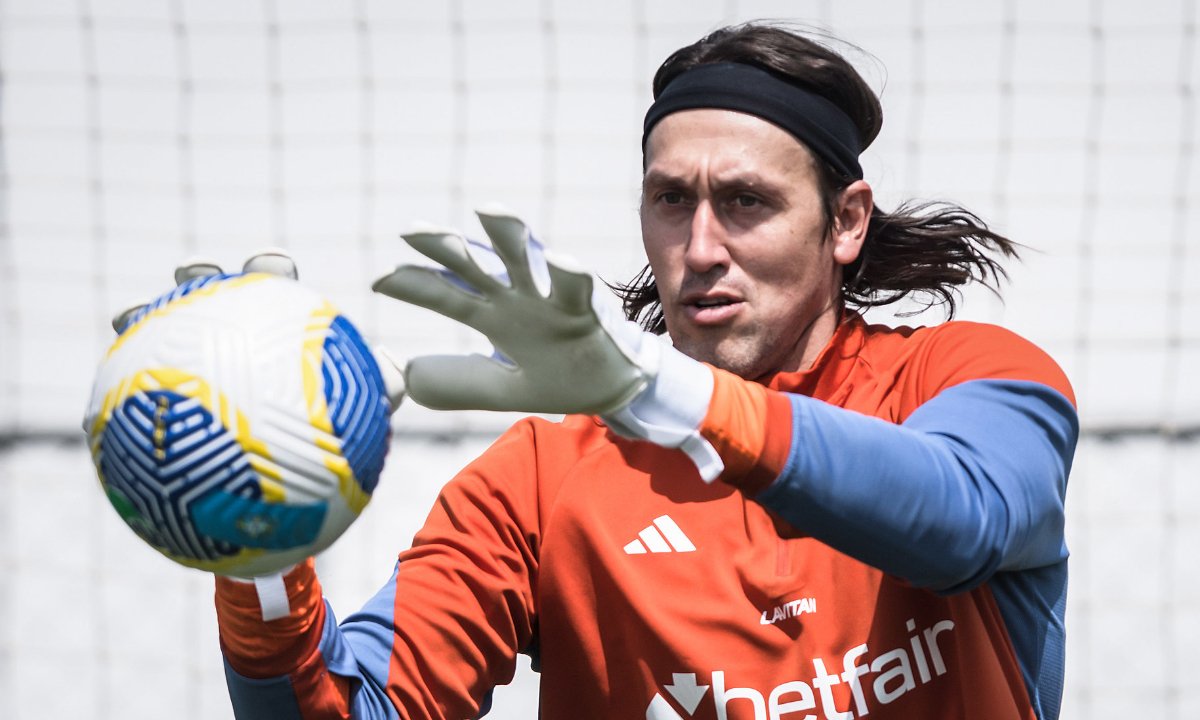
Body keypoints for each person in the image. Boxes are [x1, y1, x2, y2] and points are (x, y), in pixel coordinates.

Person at [213, 22, 1077, 720]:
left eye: (747, 202)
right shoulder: (542, 481)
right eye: (672, 201)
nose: (701, 249)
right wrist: (254, 539)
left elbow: (960, 521)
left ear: (846, 222)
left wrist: (656, 390)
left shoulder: (970, 377)